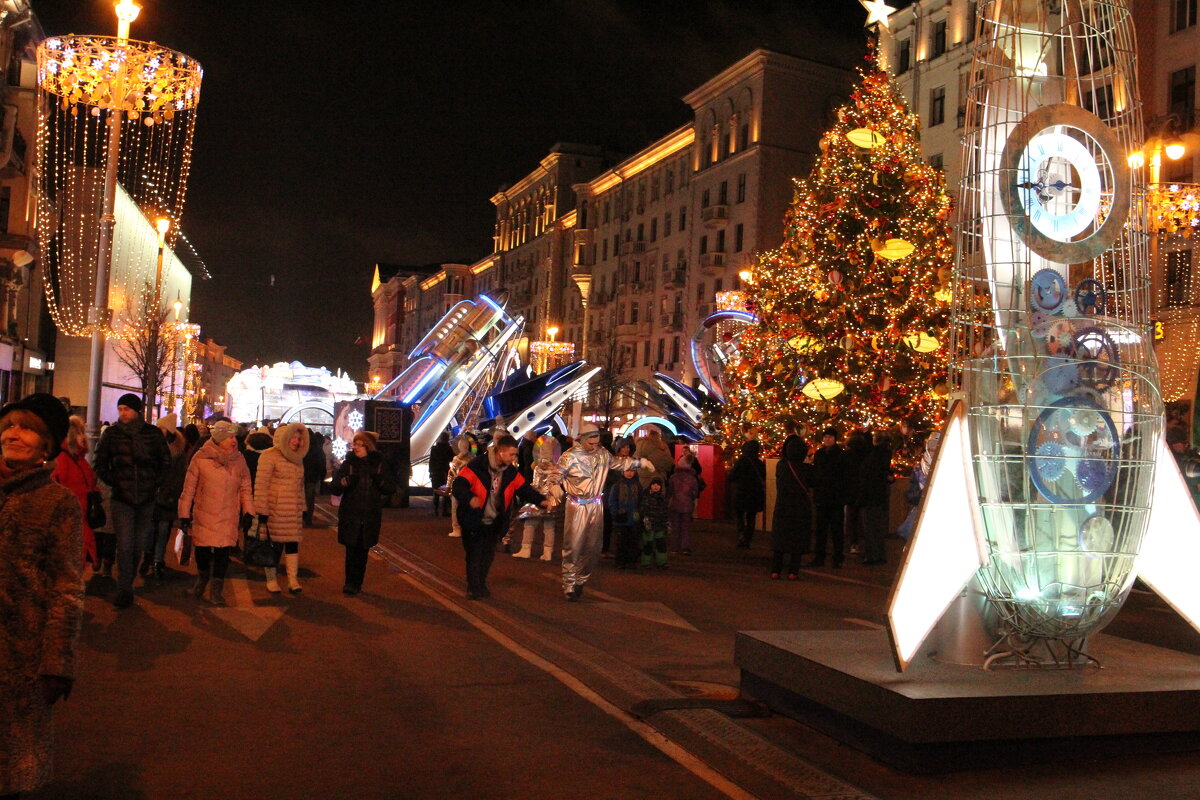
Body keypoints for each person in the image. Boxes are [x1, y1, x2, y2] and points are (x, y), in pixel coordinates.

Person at [0, 393, 83, 800]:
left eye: (28, 428)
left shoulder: (57, 503)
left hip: (21, 652)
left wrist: (57, 662)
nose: (14, 434)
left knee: (12, 763)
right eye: (10, 425)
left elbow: (66, 588)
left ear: (47, 445)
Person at [93, 392, 171, 608]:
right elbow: (99, 462)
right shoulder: (111, 434)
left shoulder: (153, 434)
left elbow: (165, 461)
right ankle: (124, 589)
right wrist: (115, 481)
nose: (122, 413)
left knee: (137, 545)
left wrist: (154, 482)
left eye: (126, 409)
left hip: (146, 498)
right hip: (122, 499)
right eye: (120, 409)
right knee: (125, 544)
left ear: (137, 411)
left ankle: (127, 582)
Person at [451, 434, 549, 599]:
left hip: (495, 520)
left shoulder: (510, 472)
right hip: (474, 519)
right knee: (474, 555)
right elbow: (458, 485)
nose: (514, 458)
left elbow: (524, 488)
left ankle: (480, 584)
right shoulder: (477, 466)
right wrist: (469, 498)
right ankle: (473, 588)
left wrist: (541, 500)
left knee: (487, 556)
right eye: (511, 454)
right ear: (500, 452)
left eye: (515, 454)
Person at [557, 422, 641, 601]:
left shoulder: (602, 454)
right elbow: (556, 474)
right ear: (583, 439)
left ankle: (581, 579)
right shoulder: (570, 456)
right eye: (591, 443)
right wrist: (553, 488)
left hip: (596, 504)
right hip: (576, 505)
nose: (594, 446)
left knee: (594, 548)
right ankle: (569, 585)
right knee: (573, 546)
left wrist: (639, 463)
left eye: (596, 442)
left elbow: (618, 463)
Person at [177, 421, 254, 606]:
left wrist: (248, 512)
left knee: (222, 553)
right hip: (205, 514)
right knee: (202, 552)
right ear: (219, 438)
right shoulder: (200, 458)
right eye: (229, 437)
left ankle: (216, 590)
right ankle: (202, 580)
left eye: (235, 437)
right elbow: (189, 489)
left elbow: (245, 488)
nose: (234, 440)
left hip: (229, 515)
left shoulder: (239, 460)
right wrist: (184, 514)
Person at [331, 430, 396, 595]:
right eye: (355, 444)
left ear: (369, 447)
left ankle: (357, 583)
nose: (357, 447)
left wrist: (378, 479)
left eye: (361, 444)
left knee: (362, 551)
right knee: (351, 550)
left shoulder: (379, 465)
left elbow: (389, 488)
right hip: (351, 514)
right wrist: (346, 482)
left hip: (369, 515)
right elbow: (335, 488)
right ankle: (349, 583)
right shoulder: (349, 464)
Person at [254, 421, 310, 594]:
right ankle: (271, 579)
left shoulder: (298, 459)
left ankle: (293, 579)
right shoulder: (269, 456)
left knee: (293, 544)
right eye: (293, 438)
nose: (296, 441)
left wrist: (302, 507)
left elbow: (300, 486)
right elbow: (261, 485)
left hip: (292, 509)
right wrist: (262, 511)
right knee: (273, 545)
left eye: (299, 438)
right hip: (275, 509)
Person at [50, 415, 98, 572]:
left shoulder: (78, 459)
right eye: (80, 432)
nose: (84, 436)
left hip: (80, 521)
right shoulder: (63, 460)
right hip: (69, 524)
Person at [144, 414, 188, 580]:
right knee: (149, 530)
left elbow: (179, 477)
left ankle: (157, 561)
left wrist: (170, 494)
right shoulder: (151, 447)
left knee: (162, 531)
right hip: (151, 496)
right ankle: (148, 556)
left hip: (167, 498)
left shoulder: (178, 452)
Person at [771, 427, 815, 579]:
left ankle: (776, 570)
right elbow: (814, 482)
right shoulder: (807, 469)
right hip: (801, 507)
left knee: (780, 538)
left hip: (783, 505)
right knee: (798, 538)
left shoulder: (781, 466)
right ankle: (793, 572)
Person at [513, 435, 563, 561]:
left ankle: (526, 549)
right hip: (552, 500)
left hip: (538, 499)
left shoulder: (538, 468)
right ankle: (548, 552)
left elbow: (536, 484)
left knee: (530, 524)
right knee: (549, 526)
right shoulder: (557, 468)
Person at [810, 427, 847, 567]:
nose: (827, 439)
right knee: (821, 530)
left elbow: (844, 476)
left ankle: (837, 558)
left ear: (835, 439)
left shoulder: (841, 455)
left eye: (830, 437)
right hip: (822, 497)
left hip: (835, 497)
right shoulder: (819, 454)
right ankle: (820, 556)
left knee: (836, 530)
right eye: (825, 437)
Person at [858, 431, 895, 565]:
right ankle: (879, 554)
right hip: (879, 496)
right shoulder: (884, 454)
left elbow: (869, 474)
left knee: (870, 527)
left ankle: (872, 555)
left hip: (870, 495)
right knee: (877, 527)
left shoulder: (874, 456)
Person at [606, 459, 643, 568]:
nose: (629, 473)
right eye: (627, 470)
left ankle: (631, 561)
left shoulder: (638, 485)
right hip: (621, 518)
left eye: (632, 470)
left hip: (634, 518)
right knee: (621, 541)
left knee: (633, 541)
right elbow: (612, 501)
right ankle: (620, 561)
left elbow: (641, 500)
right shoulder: (617, 486)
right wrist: (615, 513)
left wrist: (640, 512)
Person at [729, 439, 766, 548]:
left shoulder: (741, 461)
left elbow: (732, 476)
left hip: (741, 492)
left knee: (739, 515)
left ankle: (741, 535)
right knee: (751, 517)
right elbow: (763, 477)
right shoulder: (760, 464)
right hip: (754, 493)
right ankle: (747, 538)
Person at [667, 451, 702, 555]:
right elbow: (695, 492)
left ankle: (674, 547)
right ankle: (685, 547)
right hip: (687, 505)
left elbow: (670, 491)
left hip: (675, 504)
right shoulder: (692, 478)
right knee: (685, 527)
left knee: (675, 527)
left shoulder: (673, 477)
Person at [446, 435, 474, 538]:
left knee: (458, 508)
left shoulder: (459, 459)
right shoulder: (470, 458)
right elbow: (452, 472)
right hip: (465, 485)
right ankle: (459, 528)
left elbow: (451, 473)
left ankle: (459, 528)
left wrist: (449, 486)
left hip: (464, 485)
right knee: (460, 507)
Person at [640, 476, 669, 568]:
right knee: (648, 544)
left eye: (658, 485)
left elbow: (665, 511)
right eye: (654, 484)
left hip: (660, 524)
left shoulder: (662, 498)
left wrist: (666, 522)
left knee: (661, 544)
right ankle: (646, 562)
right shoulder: (646, 497)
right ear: (650, 486)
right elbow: (643, 509)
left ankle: (662, 562)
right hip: (649, 524)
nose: (656, 487)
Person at [302, 430, 327, 526]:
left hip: (305, 477)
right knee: (309, 498)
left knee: (304, 497)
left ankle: (305, 517)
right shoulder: (317, 449)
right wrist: (321, 477)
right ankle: (307, 518)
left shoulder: (303, 449)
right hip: (312, 478)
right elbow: (322, 464)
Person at [428, 430, 455, 517]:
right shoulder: (448, 448)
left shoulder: (434, 449)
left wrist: (430, 472)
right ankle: (444, 510)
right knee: (445, 490)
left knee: (436, 490)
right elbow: (452, 459)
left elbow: (431, 461)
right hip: (445, 471)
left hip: (436, 472)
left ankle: (435, 510)